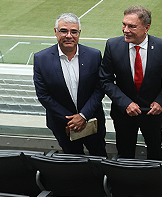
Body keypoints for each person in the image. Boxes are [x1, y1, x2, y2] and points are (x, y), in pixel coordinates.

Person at [100, 5, 162, 160]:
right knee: (124, 155)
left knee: (155, 154)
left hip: (153, 113)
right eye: (124, 24)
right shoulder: (113, 45)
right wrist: (125, 103)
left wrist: (161, 101)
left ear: (146, 28)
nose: (125, 30)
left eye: (132, 26)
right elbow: (105, 80)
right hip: (124, 114)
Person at [33, 13, 107, 156]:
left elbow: (99, 88)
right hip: (62, 124)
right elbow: (43, 95)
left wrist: (83, 116)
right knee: (72, 161)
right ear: (55, 32)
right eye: (64, 31)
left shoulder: (94, 55)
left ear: (79, 33)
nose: (69, 36)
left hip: (92, 120)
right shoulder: (41, 59)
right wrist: (72, 120)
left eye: (74, 32)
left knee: (99, 157)